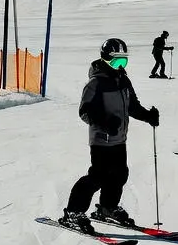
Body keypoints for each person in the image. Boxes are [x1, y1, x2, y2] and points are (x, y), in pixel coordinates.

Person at [60, 38, 159, 234]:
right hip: (101, 140)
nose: (120, 65)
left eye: (124, 61)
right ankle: (73, 211)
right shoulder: (95, 83)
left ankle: (108, 207)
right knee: (97, 177)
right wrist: (105, 123)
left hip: (119, 139)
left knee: (120, 174)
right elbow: (84, 111)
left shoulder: (123, 80)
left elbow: (132, 106)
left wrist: (148, 116)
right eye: (116, 61)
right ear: (106, 59)